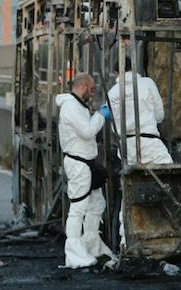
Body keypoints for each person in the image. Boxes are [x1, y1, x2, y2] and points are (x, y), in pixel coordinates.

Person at [54, 73, 116, 269]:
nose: (93, 92)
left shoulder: (77, 105)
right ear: (82, 86)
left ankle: (91, 243)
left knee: (97, 203)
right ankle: (73, 253)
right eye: (91, 89)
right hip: (78, 163)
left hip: (87, 161)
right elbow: (87, 131)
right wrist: (101, 115)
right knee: (78, 207)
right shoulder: (70, 107)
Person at [106, 57, 174, 165]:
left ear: (116, 72)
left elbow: (113, 127)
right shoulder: (147, 83)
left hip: (126, 149)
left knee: (133, 179)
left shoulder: (111, 93)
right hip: (150, 144)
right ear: (133, 68)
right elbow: (160, 115)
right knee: (169, 174)